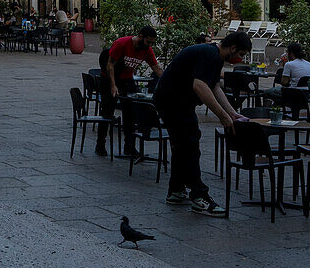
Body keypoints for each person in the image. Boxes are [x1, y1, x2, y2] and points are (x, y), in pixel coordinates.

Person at [153, 30, 252, 216]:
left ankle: (176, 190)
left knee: (182, 144)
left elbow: (214, 86)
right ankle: (199, 196)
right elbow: (200, 86)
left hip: (175, 100)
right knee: (189, 144)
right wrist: (222, 116)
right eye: (240, 55)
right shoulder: (209, 54)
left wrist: (232, 113)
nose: (240, 59)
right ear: (233, 48)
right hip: (173, 101)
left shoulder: (214, 55)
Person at [96, 26, 163, 157]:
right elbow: (110, 65)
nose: (149, 45)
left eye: (152, 43)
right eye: (148, 42)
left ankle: (129, 146)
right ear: (140, 36)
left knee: (131, 113)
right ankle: (100, 144)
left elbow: (156, 68)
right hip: (110, 78)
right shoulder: (122, 43)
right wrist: (113, 86)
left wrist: (169, 80)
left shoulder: (147, 51)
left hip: (127, 80)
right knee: (107, 112)